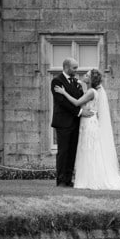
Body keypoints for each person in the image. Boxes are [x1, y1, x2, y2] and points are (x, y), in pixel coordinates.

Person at [53, 69, 120, 192]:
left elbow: (77, 102)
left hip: (89, 122)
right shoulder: (92, 90)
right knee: (87, 150)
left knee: (89, 150)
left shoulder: (91, 92)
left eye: (87, 75)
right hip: (87, 121)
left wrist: (63, 92)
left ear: (91, 79)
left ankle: (91, 179)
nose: (84, 75)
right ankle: (87, 179)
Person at [50, 57, 84, 187]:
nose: (76, 70)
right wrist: (79, 112)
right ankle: (61, 180)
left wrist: (81, 87)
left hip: (75, 123)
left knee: (72, 151)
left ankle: (69, 179)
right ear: (66, 67)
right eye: (74, 68)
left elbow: (79, 99)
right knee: (63, 151)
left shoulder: (76, 82)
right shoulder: (56, 81)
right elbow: (62, 101)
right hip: (63, 123)